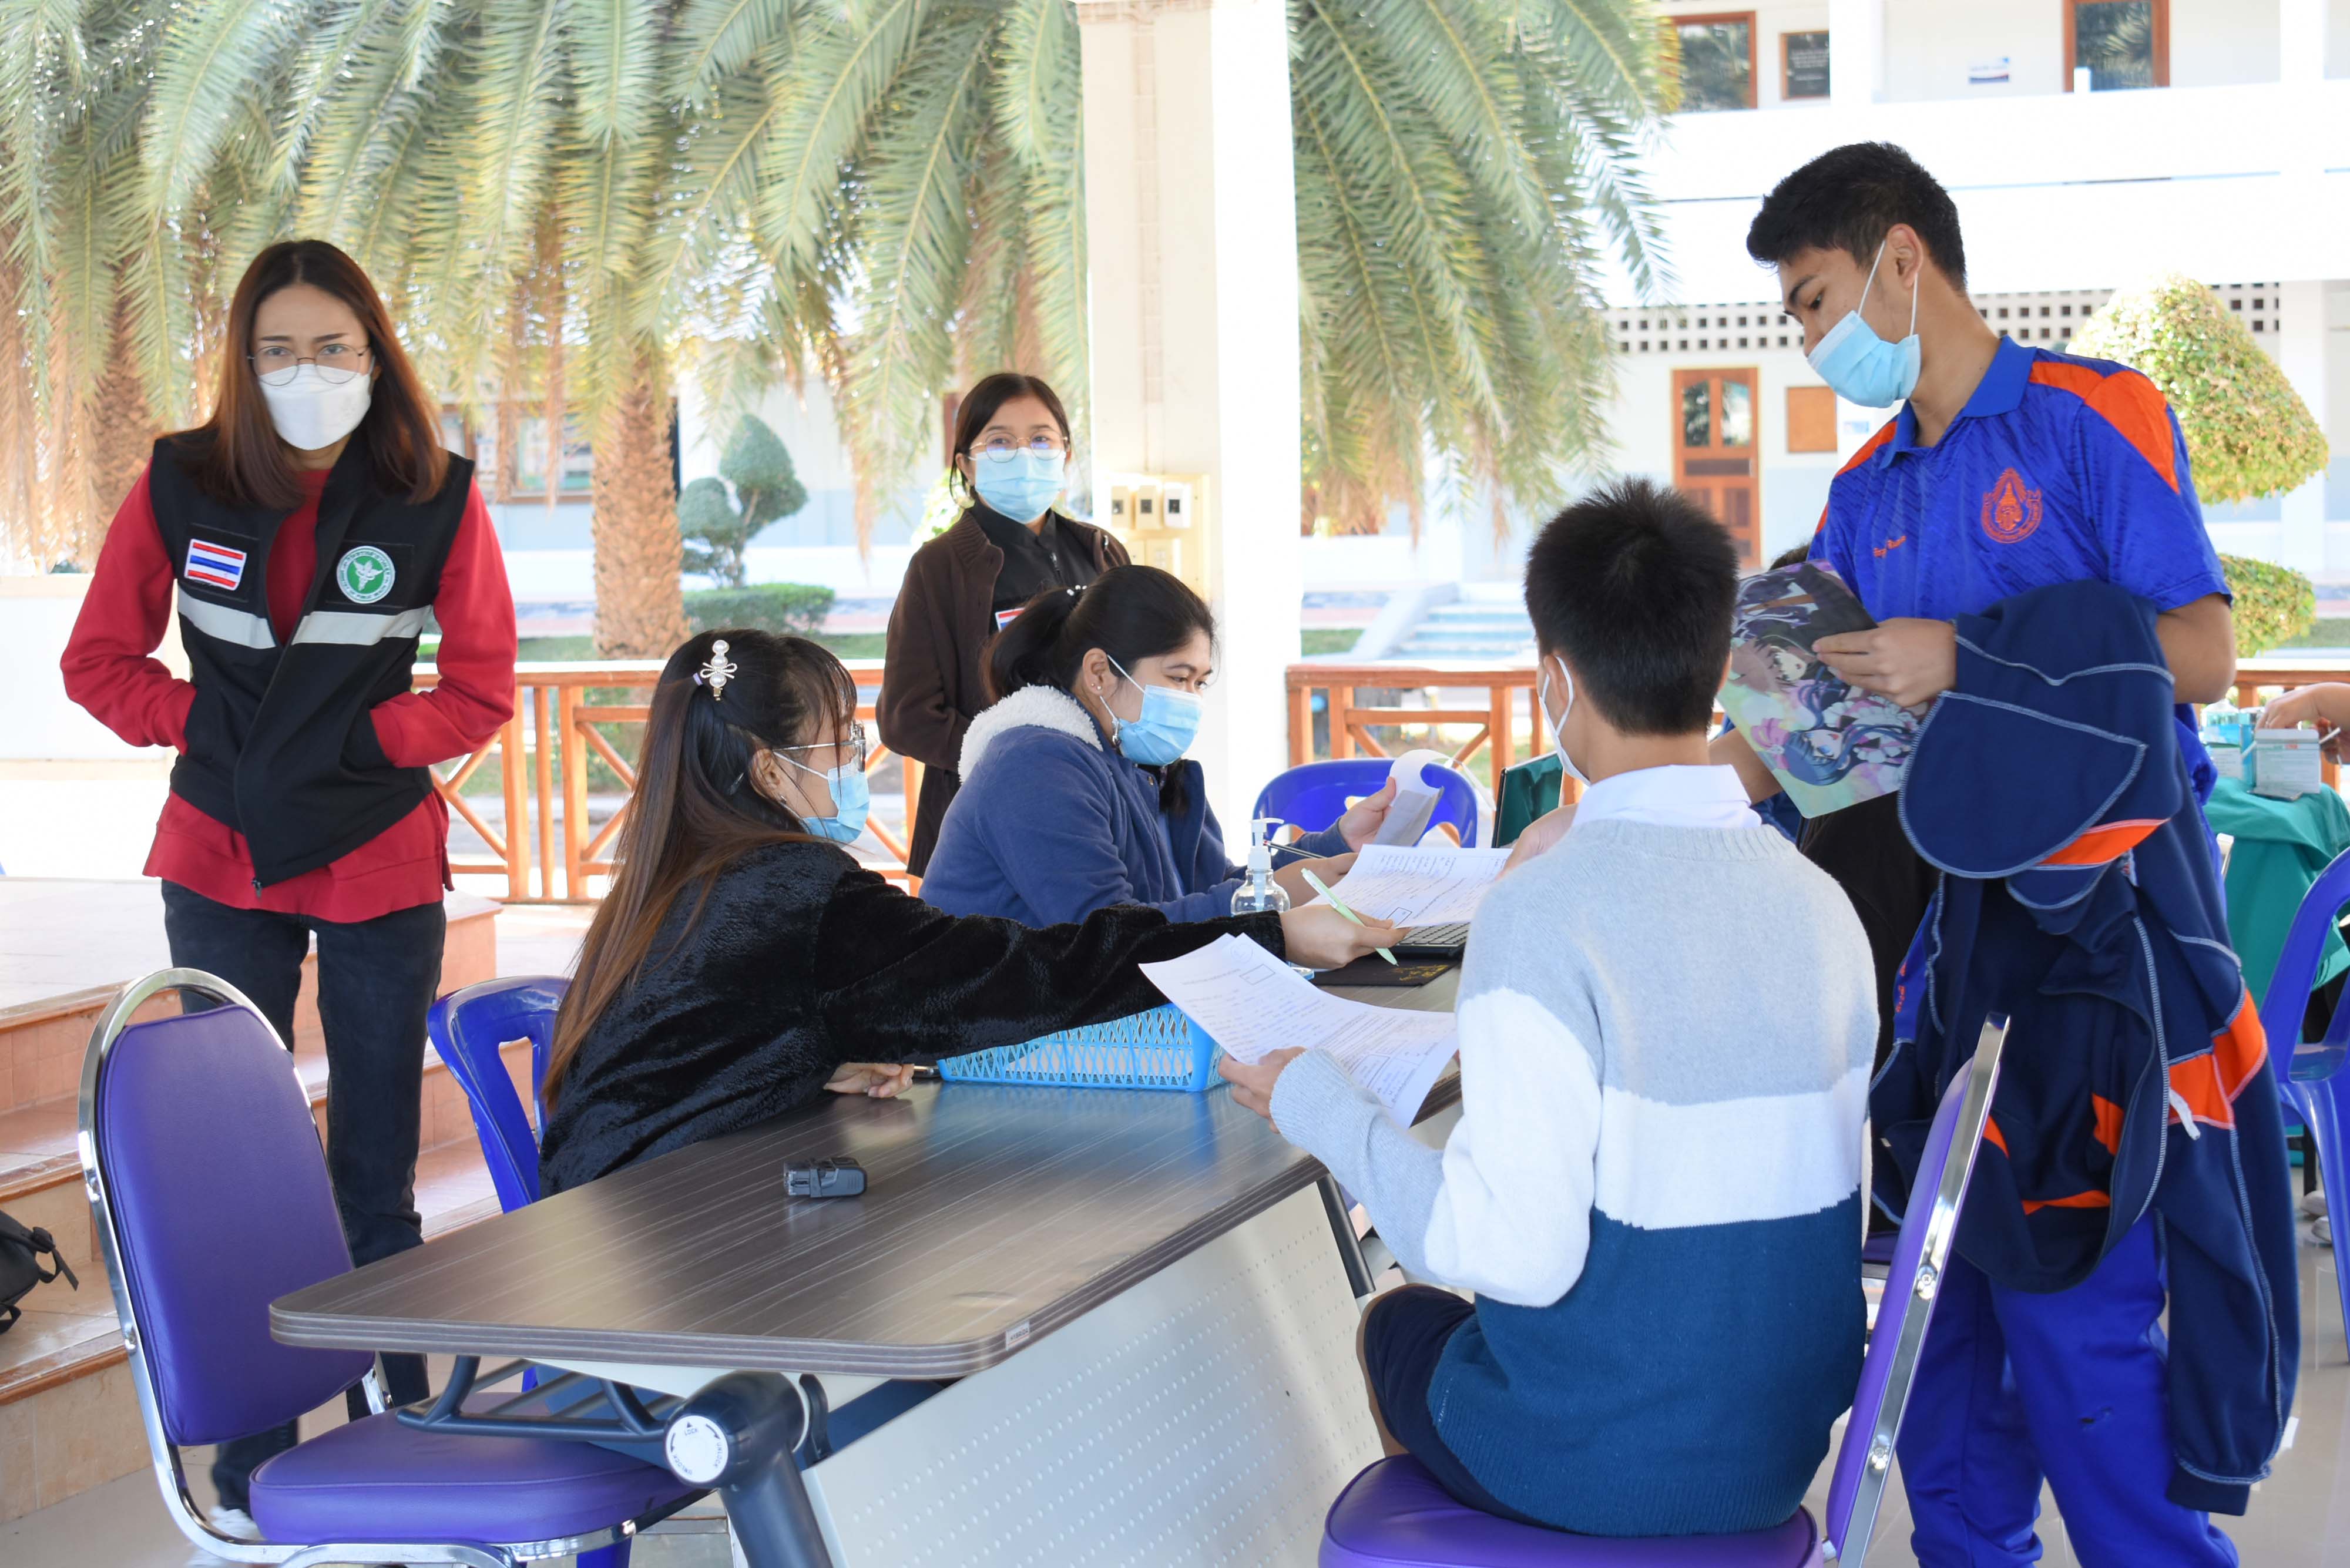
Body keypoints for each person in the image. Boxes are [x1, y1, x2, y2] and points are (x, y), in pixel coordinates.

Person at [1736, 142, 2264, 1566]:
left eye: (1813, 300)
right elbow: (1810, 734)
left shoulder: (2090, 418)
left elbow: (2199, 655)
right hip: (1932, 947)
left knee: (2075, 1314)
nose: (1807, 339)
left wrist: (1963, 656)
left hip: (2100, 939)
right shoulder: (1863, 493)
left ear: (1901, 259)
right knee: (1943, 1331)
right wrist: (1634, 788)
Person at [1220, 479, 1876, 1537]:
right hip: (1777, 1452)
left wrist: (1321, 1105)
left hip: (1604, 1462)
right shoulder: (1822, 903)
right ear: (1719, 667)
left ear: (1556, 679)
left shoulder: (1542, 911)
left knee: (1398, 1322)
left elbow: (1503, 1249)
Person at [59, 239, 515, 1535]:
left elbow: (479, 686)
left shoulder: (435, 493)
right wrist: (210, 730)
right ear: (242, 361)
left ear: (374, 354)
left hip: (378, 854)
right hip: (219, 852)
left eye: (330, 347)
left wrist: (358, 742)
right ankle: (254, 1467)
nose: (305, 371)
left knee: (373, 1173)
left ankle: (406, 1436)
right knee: (233, 1172)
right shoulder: (182, 480)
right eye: (277, 350)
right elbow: (98, 661)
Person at [536, 629, 1395, 1196]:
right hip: (685, 1253)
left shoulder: (664, 884)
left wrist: (798, 1061)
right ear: (768, 772)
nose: (856, 765)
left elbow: (682, 1057)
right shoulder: (796, 890)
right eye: (840, 744)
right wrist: (1267, 931)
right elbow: (1039, 971)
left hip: (606, 1225)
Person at [918, 566, 1392, 925]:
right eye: (1178, 678)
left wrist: (1339, 841)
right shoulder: (1033, 765)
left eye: (1200, 683)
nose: (1191, 700)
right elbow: (1109, 935)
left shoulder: (1148, 764)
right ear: (1099, 672)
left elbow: (1205, 886)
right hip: (1004, 1027)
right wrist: (1263, 902)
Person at [881, 373, 1129, 876]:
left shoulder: (1102, 553)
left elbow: (1135, 676)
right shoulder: (939, 567)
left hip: (1101, 809)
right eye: (999, 442)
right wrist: (1016, 761)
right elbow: (906, 717)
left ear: (1066, 453)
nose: (1024, 455)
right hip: (986, 824)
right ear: (966, 464)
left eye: (1041, 439)